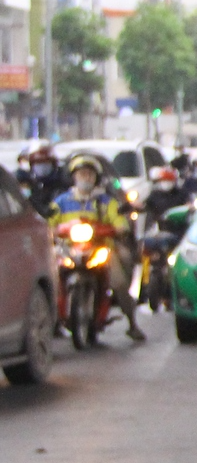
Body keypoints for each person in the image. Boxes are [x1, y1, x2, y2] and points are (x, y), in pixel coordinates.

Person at [51, 155, 146, 341]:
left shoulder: (106, 201)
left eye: (89, 174)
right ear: (74, 177)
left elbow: (120, 222)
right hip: (68, 249)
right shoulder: (61, 201)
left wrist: (118, 228)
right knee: (50, 280)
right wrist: (53, 231)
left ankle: (132, 323)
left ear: (95, 178)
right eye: (81, 174)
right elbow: (49, 223)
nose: (85, 178)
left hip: (102, 249)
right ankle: (51, 322)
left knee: (118, 283)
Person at [17, 144, 64, 216]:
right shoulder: (26, 182)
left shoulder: (62, 182)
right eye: (38, 163)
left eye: (45, 162)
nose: (42, 166)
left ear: (53, 164)